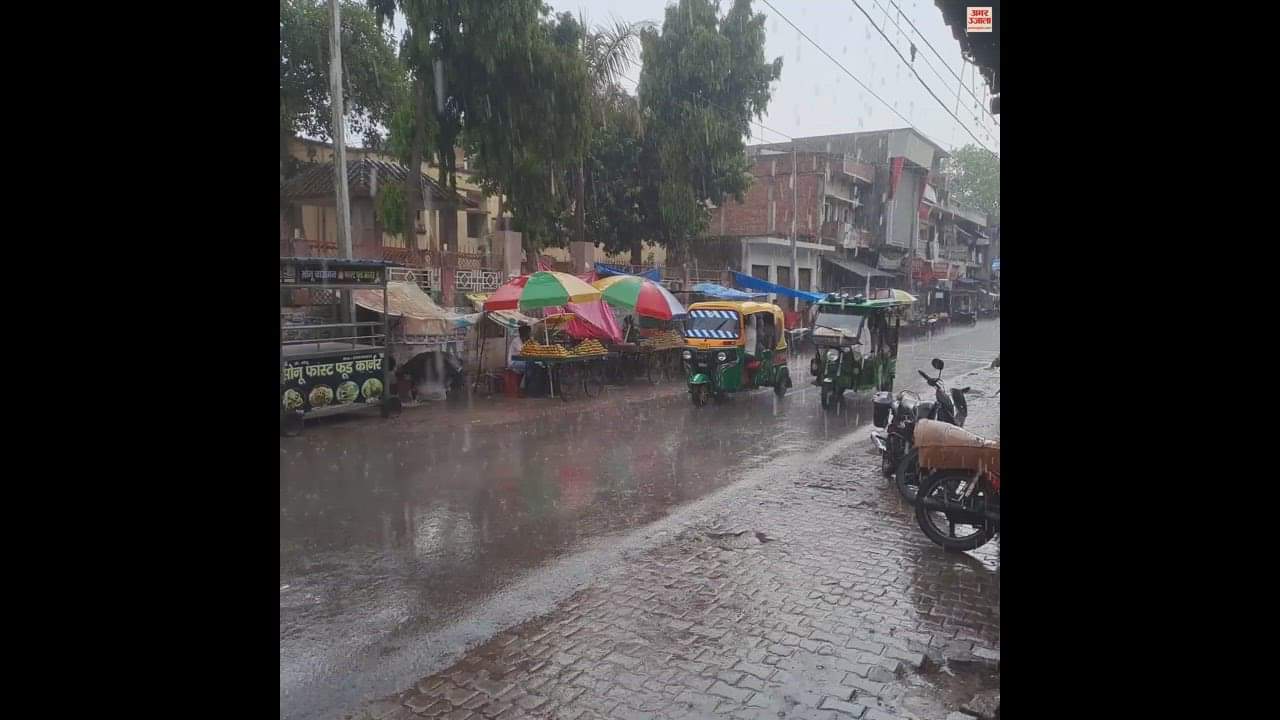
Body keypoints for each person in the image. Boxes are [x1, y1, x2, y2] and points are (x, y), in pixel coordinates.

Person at [508, 325, 531, 391]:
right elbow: (523, 352)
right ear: (523, 333)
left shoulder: (526, 341)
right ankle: (523, 387)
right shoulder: (516, 341)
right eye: (528, 333)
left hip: (522, 361)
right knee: (529, 366)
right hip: (513, 362)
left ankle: (526, 386)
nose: (529, 335)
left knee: (533, 365)